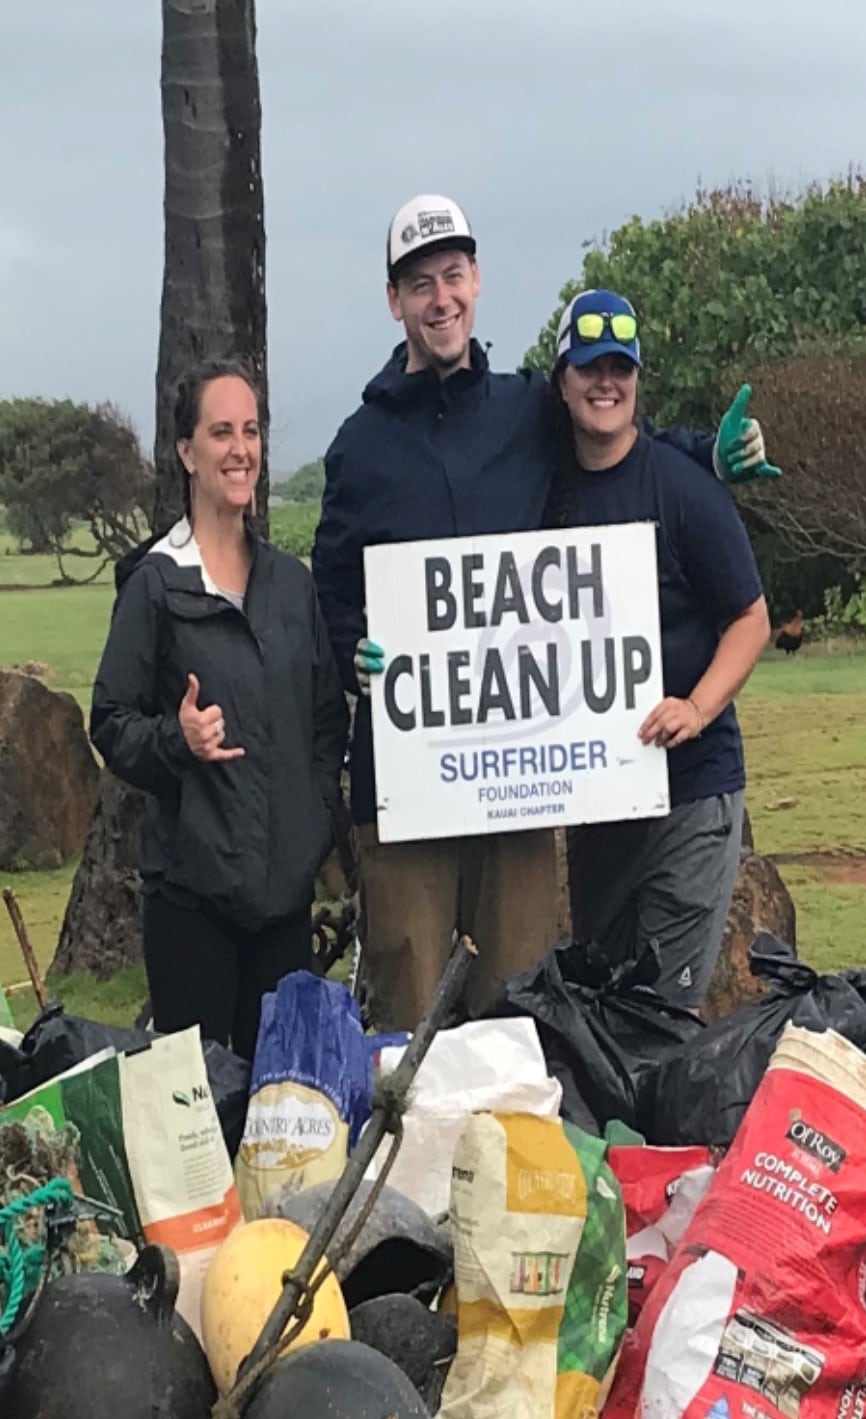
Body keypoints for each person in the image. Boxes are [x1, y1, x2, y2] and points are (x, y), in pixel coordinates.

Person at [311, 193, 777, 1030]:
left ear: (478, 282)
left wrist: (709, 453)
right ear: (395, 301)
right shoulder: (360, 444)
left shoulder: (528, 408)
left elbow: (621, 437)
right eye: (420, 283)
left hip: (519, 785)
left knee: (521, 1008)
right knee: (407, 1004)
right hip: (410, 777)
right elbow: (332, 591)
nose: (441, 298)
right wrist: (355, 650)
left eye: (454, 275)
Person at [91, 361, 348, 1058]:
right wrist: (177, 739)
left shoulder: (291, 587)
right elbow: (109, 722)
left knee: (283, 1111)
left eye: (252, 431)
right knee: (199, 1122)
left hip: (283, 903)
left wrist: (314, 823)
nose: (241, 450)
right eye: (221, 432)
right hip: (192, 901)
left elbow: (328, 720)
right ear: (186, 453)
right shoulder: (155, 586)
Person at [547, 289, 770, 1003]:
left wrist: (698, 707)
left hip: (690, 790)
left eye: (621, 368)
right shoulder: (542, 490)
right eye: (589, 368)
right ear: (562, 380)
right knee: (601, 1001)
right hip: (599, 799)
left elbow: (750, 619)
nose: (605, 383)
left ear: (638, 380)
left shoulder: (686, 489)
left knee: (661, 1009)